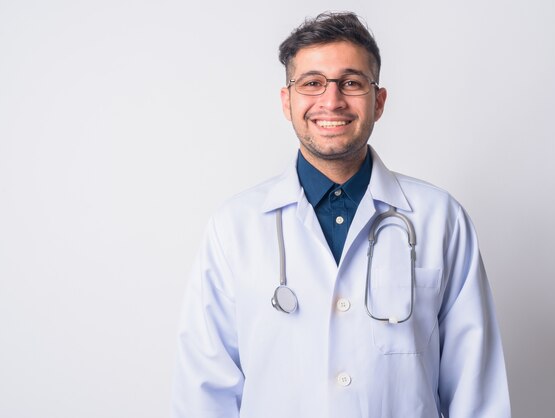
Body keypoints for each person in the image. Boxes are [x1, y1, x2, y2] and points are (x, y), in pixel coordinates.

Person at [171, 11, 510, 418]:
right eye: (312, 83)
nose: (331, 100)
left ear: (378, 101)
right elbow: (204, 393)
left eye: (351, 82)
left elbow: (477, 389)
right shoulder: (234, 227)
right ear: (287, 101)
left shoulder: (440, 219)